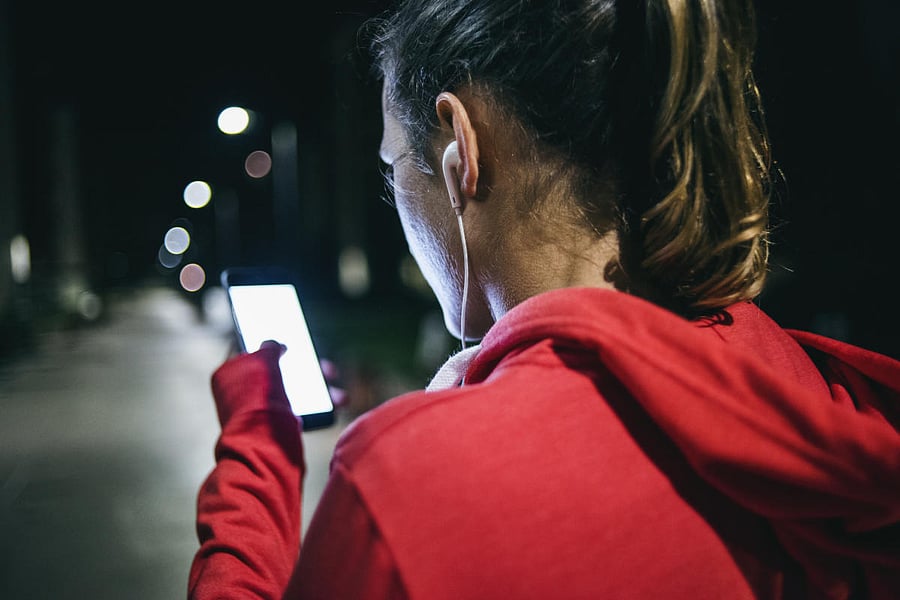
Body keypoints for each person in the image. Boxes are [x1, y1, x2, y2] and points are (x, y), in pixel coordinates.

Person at [188, 0, 900, 598]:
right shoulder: (817, 391)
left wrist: (257, 451)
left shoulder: (408, 486)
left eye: (391, 164)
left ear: (461, 149)